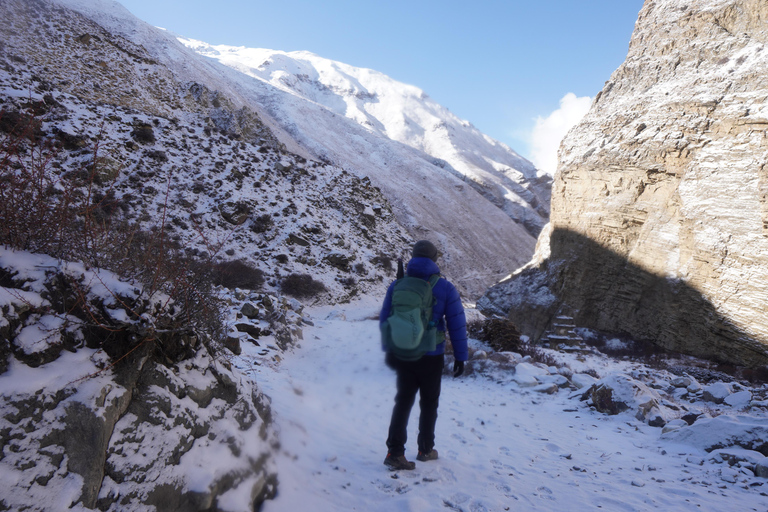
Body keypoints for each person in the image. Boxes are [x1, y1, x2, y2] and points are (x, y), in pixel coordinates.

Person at [379, 240, 468, 470]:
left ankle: (395, 452)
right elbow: (457, 324)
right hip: (431, 355)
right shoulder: (445, 288)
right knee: (429, 403)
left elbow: (385, 319)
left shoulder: (398, 284)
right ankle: (425, 449)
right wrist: (460, 356)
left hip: (404, 353)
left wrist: (390, 349)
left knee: (403, 402)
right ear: (435, 260)